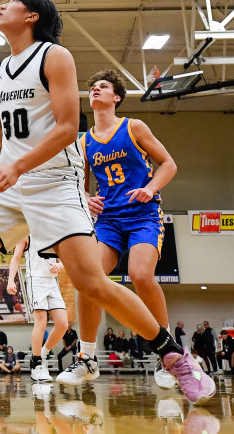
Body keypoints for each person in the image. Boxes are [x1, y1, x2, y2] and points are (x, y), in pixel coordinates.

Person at [0, 0, 213, 405]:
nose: (0, 6)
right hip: (11, 184)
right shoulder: (2, 68)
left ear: (31, 16)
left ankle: (174, 357)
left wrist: (18, 167)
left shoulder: (54, 57)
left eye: (10, 1)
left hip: (55, 183)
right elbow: (13, 135)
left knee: (90, 282)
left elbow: (66, 127)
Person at [69, 69, 182, 392]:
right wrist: (87, 199)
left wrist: (151, 188)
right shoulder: (84, 140)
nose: (95, 90)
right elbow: (80, 185)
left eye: (102, 86)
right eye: (92, 87)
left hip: (143, 214)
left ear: (116, 97)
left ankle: (168, 354)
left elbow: (169, 164)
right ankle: (87, 356)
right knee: (88, 280)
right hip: (108, 220)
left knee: (141, 275)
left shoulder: (134, 127)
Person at [7, 236, 68, 382]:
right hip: (36, 281)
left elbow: (64, 260)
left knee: (62, 324)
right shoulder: (27, 235)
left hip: (53, 282)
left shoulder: (54, 233)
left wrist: (60, 266)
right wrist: (10, 280)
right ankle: (36, 363)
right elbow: (15, 258)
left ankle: (43, 352)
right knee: (41, 322)